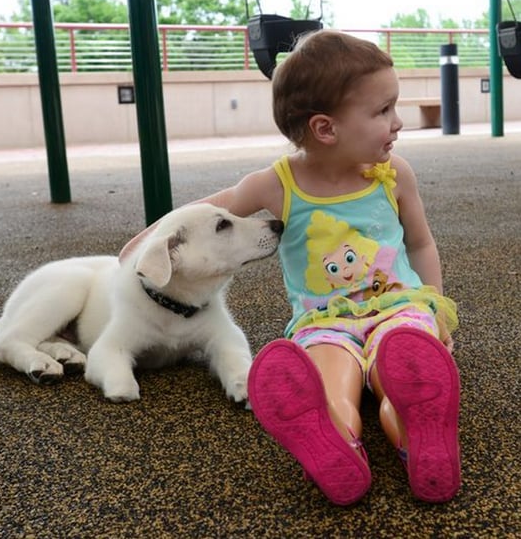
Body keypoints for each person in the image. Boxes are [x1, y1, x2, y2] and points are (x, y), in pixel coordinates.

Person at [120, 29, 461, 506]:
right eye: (383, 110)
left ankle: (419, 431)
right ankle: (334, 443)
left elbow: (421, 244)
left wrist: (435, 308)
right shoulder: (275, 185)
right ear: (326, 129)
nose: (398, 122)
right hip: (325, 321)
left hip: (400, 309)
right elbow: (203, 209)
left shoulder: (394, 174)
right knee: (329, 379)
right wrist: (144, 245)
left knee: (400, 366)